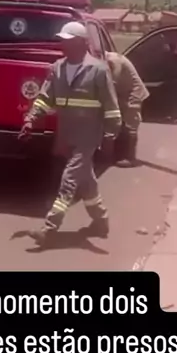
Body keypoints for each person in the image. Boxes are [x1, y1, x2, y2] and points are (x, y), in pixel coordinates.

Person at [19, 21, 121, 246]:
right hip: (66, 136)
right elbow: (45, 99)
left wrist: (110, 136)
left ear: (82, 43)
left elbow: (111, 107)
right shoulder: (57, 68)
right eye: (62, 41)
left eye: (68, 41)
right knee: (87, 183)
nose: (63, 45)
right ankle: (101, 221)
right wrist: (30, 120)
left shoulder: (98, 70)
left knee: (69, 179)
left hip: (88, 137)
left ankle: (49, 228)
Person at [105, 51, 149, 165]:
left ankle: (130, 158)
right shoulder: (109, 60)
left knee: (131, 123)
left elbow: (112, 82)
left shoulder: (114, 60)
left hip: (134, 92)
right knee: (123, 123)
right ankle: (120, 154)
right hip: (124, 93)